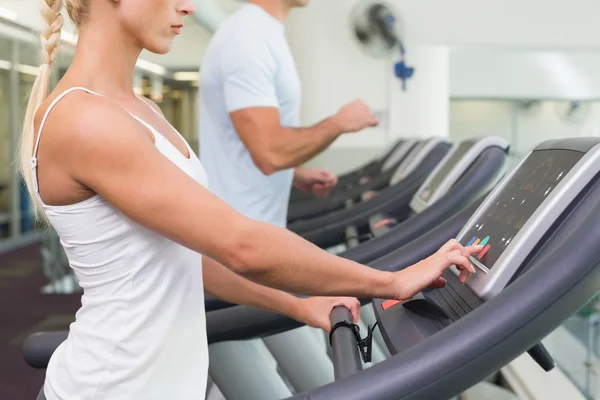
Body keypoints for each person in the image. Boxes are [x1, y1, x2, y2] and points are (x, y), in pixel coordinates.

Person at [21, 1, 479, 399]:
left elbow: (190, 256)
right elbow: (241, 245)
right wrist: (390, 282)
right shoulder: (84, 119)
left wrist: (299, 305)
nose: (189, 6)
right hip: (111, 387)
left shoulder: (140, 111)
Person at [199, 0, 380, 229]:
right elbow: (270, 152)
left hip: (253, 225)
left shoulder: (261, 33)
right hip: (240, 233)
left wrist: (290, 175)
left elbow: (247, 140)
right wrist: (339, 123)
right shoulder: (247, 39)